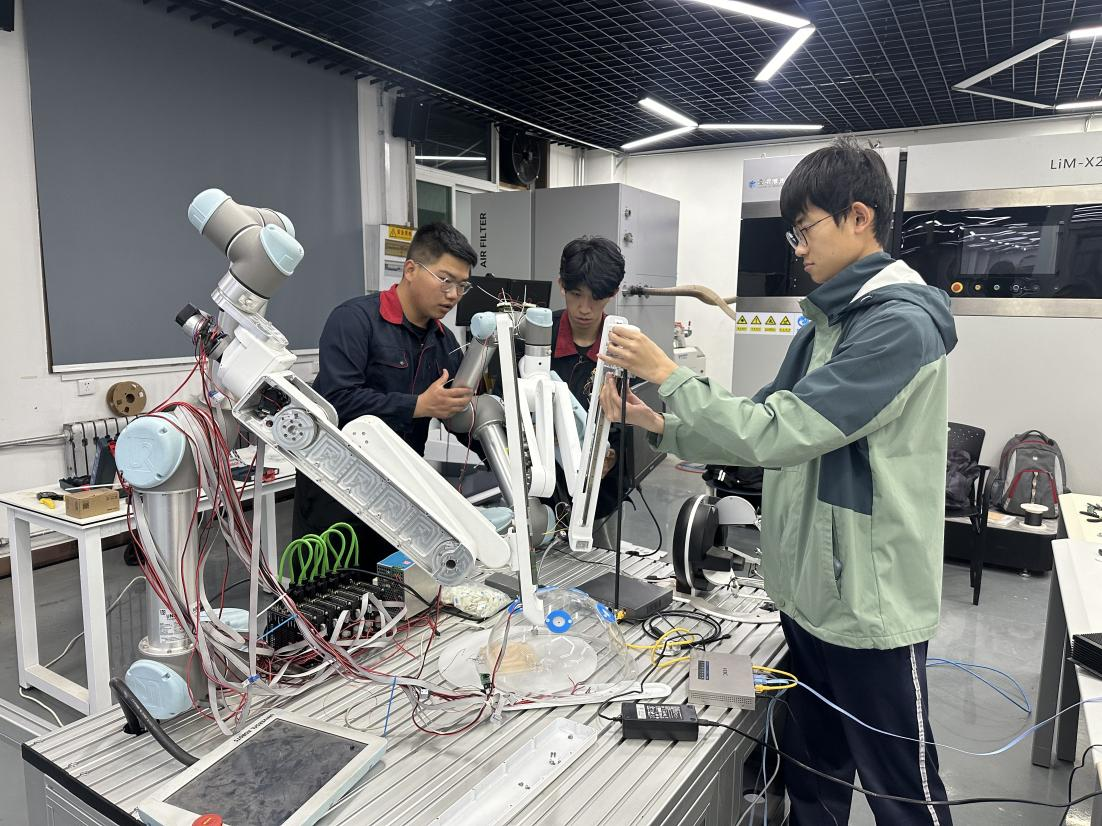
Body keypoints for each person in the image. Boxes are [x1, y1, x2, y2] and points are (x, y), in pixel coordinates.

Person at [599, 138, 957, 825]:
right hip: (809, 593)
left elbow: (782, 431)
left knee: (902, 792)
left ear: (859, 217)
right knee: (814, 774)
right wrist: (660, 420)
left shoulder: (899, 324)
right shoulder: (825, 322)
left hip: (867, 603)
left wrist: (670, 372)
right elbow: (759, 422)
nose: (798, 248)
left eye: (805, 228)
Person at [292, 222, 478, 566]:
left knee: (394, 588)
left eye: (462, 285)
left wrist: (510, 455)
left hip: (399, 497)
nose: (453, 294)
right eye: (445, 279)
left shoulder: (444, 342)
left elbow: (457, 413)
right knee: (330, 590)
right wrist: (418, 406)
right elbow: (338, 400)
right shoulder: (354, 321)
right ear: (411, 270)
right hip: (337, 493)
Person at [549, 236, 631, 520]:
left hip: (601, 496)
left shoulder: (624, 348)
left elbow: (631, 421)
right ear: (561, 285)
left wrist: (613, 456)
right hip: (541, 491)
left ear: (613, 292)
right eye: (575, 294)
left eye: (596, 298)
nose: (585, 308)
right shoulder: (534, 338)